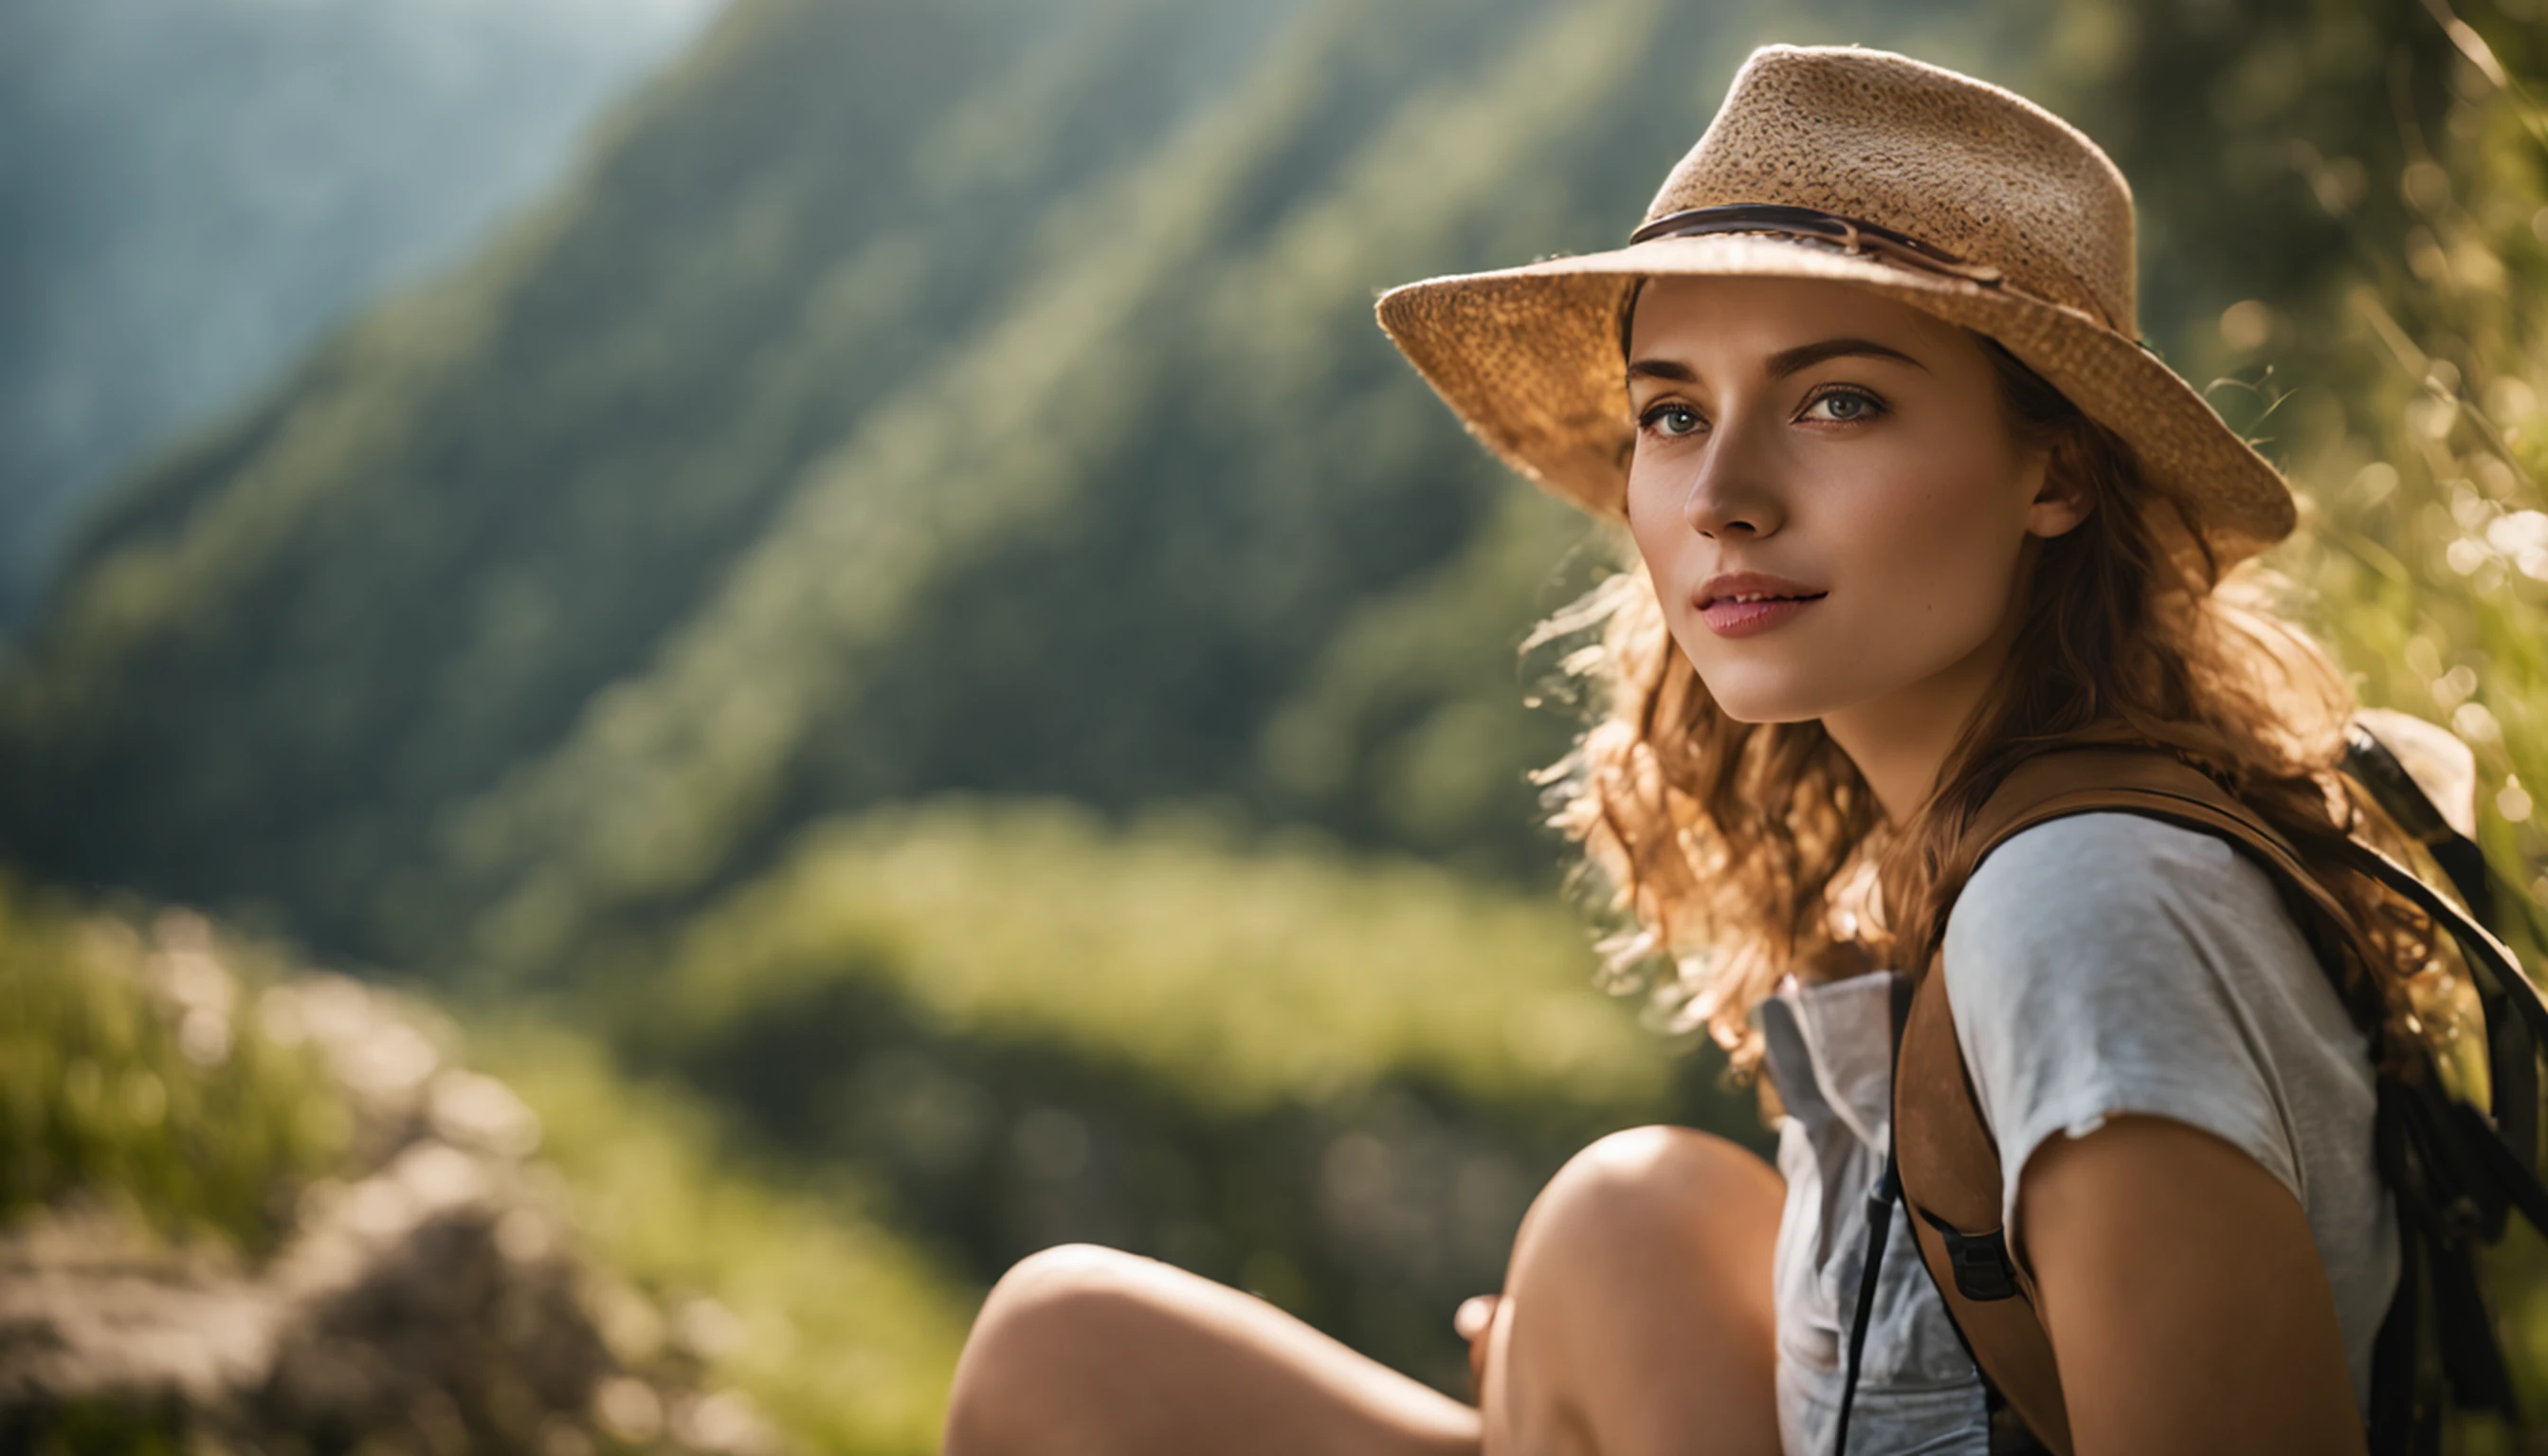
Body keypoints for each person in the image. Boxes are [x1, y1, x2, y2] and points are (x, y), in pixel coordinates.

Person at [940, 43, 2442, 1455]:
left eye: (1838, 401)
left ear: (2052, 471)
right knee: (1077, 1338)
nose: (1722, 492)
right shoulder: (1962, 872)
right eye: (1671, 413)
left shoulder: (2084, 905)